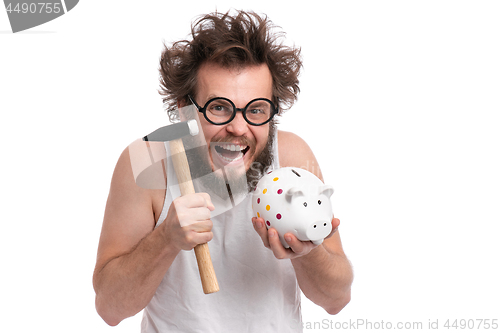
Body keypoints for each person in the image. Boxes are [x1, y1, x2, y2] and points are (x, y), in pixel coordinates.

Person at [93, 10, 353, 332]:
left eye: (256, 109)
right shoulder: (145, 161)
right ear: (183, 107)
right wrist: (165, 240)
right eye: (219, 107)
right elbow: (109, 308)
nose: (238, 127)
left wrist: (308, 253)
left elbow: (337, 299)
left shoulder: (290, 158)